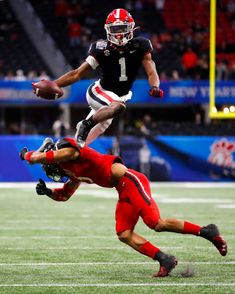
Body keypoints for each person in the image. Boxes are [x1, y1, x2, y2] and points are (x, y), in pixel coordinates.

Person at [19, 137, 228, 278]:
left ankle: (207, 231)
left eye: (48, 164)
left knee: (156, 223)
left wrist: (32, 157)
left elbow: (63, 154)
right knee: (124, 233)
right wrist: (49, 192)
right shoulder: (71, 171)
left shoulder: (70, 150)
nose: (50, 169)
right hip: (122, 190)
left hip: (131, 180)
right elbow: (65, 195)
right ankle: (164, 258)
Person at [50, 8, 164, 147]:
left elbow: (151, 70)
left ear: (131, 28)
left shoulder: (141, 45)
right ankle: (86, 124)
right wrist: (54, 84)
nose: (120, 34)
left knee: (79, 147)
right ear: (108, 30)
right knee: (118, 107)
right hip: (99, 92)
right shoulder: (101, 48)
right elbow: (77, 73)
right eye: (115, 29)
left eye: (122, 28)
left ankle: (52, 149)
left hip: (115, 100)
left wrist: (155, 86)